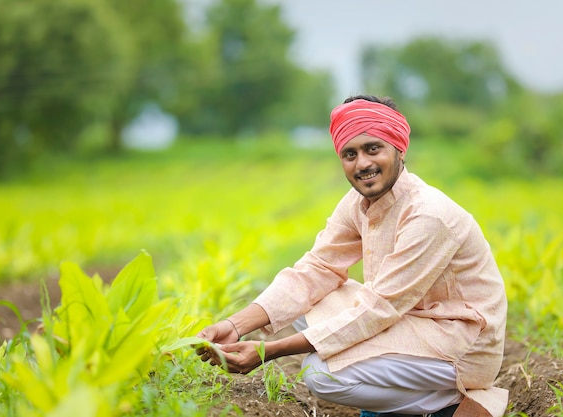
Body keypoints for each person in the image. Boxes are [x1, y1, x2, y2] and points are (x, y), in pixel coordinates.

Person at [196, 95, 508, 417]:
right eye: (350, 154)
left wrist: (267, 351)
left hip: (459, 342)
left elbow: (379, 309)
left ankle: (446, 404)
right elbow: (316, 269)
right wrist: (236, 325)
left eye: (373, 148)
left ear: (399, 148)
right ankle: (405, 395)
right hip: (410, 319)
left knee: (320, 374)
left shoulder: (428, 215)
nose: (362, 164)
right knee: (310, 301)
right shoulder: (356, 203)